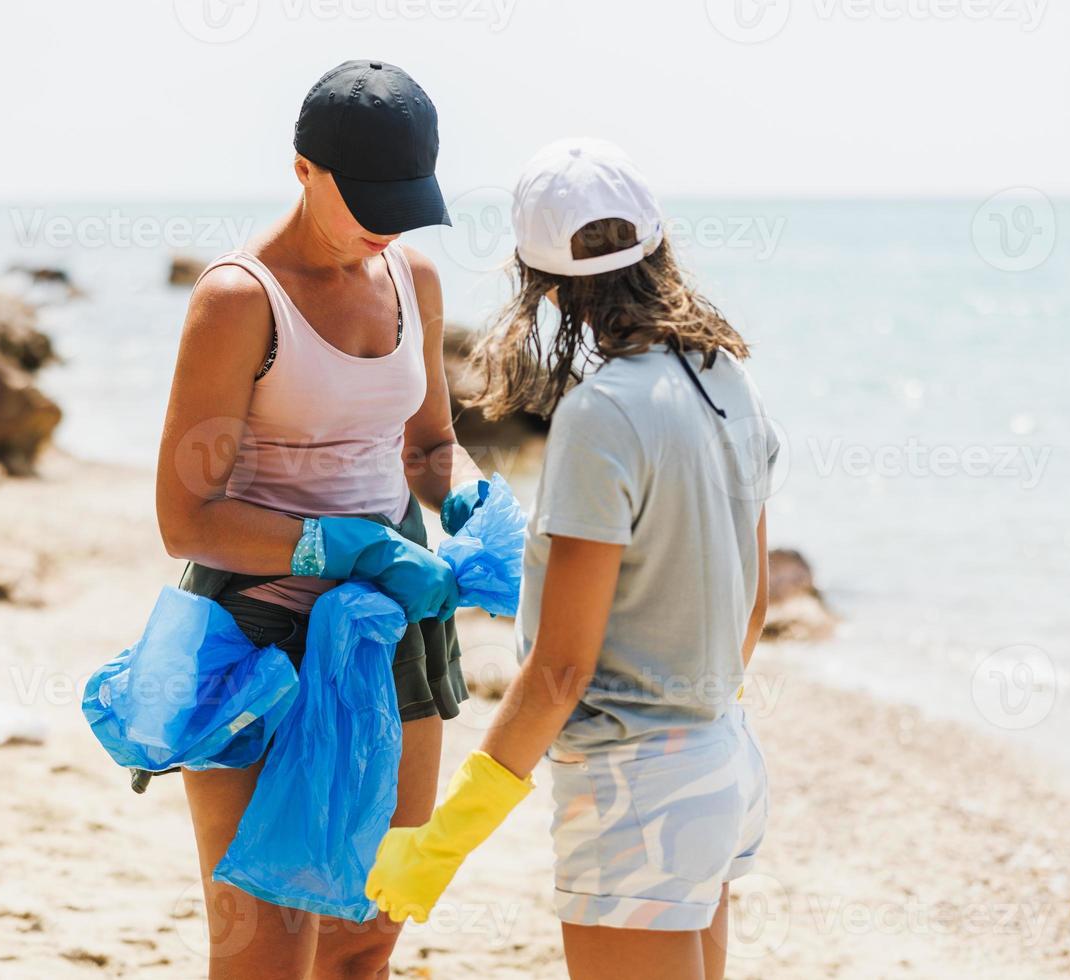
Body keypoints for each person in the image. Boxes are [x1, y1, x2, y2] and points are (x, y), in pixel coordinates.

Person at [365, 138, 778, 980]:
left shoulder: (603, 413)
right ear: (659, 245)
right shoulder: (727, 378)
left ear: (540, 282)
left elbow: (561, 668)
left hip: (639, 791)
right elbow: (756, 605)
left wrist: (448, 837)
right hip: (724, 760)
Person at [154, 60, 489, 980]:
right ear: (304, 169)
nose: (388, 220)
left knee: (366, 937)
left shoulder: (410, 275)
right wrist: (343, 545)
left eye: (406, 197)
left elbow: (428, 445)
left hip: (396, 630)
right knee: (263, 948)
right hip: (255, 630)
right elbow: (186, 517)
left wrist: (471, 502)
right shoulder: (238, 298)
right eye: (368, 197)